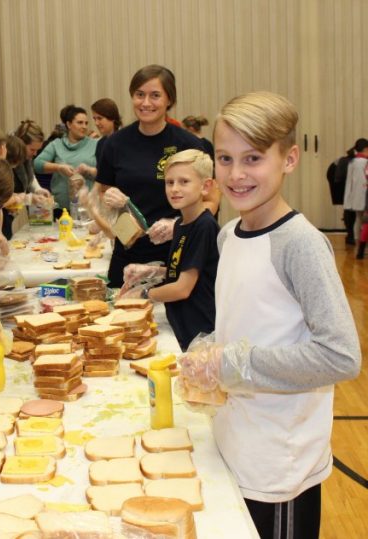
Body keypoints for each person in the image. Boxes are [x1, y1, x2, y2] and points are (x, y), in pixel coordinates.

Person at [179, 91, 361, 539]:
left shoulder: (300, 244)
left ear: (290, 158)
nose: (237, 174)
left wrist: (234, 364)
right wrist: (210, 360)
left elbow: (341, 356)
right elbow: (245, 324)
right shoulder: (228, 236)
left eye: (254, 158)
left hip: (280, 466)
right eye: (225, 158)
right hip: (236, 441)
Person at [94, 64, 206, 287]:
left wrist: (176, 225)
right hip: (127, 251)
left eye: (155, 95)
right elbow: (102, 192)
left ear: (169, 100)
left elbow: (211, 200)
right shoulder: (114, 143)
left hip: (176, 252)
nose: (146, 103)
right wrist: (110, 201)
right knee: (121, 316)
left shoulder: (187, 144)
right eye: (139, 95)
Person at [120, 150, 219, 351]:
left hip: (198, 331)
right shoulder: (182, 223)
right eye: (169, 182)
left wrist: (144, 293)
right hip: (180, 323)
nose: (174, 189)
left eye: (184, 182)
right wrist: (152, 272)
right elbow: (184, 270)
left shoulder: (204, 226)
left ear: (205, 186)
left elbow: (182, 288)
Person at [34, 104, 98, 212]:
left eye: (86, 123)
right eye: (80, 123)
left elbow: (106, 173)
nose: (84, 126)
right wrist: (59, 167)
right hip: (61, 209)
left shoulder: (95, 144)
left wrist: (88, 170)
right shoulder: (56, 144)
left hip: (88, 208)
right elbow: (36, 164)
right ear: (68, 124)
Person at [343, 138, 368, 249]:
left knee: (358, 219)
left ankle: (358, 242)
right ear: (365, 149)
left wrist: (348, 200)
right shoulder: (365, 162)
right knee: (364, 221)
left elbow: (349, 183)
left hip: (356, 197)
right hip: (365, 196)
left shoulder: (352, 162)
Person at [91, 97, 123, 161]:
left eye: (100, 118)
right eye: (94, 119)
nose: (96, 123)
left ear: (112, 117)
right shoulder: (100, 143)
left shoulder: (125, 140)